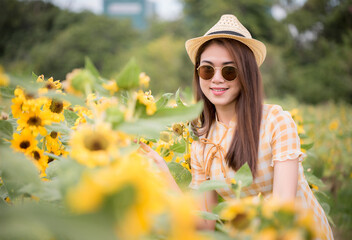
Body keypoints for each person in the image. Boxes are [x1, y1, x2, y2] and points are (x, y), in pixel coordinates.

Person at [139, 14, 333, 239]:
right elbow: (203, 224)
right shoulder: (203, 144)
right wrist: (162, 169)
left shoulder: (275, 123)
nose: (217, 79)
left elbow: (283, 211)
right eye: (207, 70)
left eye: (229, 70)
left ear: (246, 75)